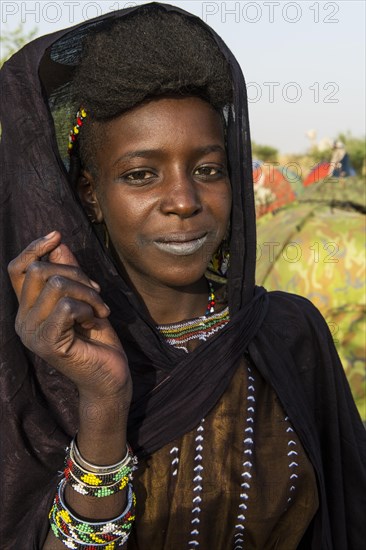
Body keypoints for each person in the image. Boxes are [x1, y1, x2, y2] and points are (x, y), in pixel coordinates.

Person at [0, 3, 365, 549]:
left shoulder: (290, 334)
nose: (184, 201)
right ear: (91, 196)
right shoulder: (39, 360)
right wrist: (102, 401)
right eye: (141, 175)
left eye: (207, 170)